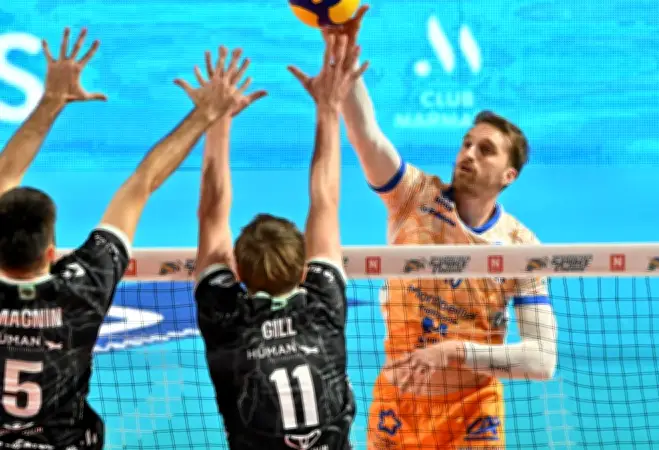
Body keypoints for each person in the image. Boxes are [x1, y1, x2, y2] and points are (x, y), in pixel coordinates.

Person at [0, 28, 260, 449]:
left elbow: (4, 177)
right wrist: (205, 115)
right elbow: (142, 183)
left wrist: (49, 102)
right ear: (51, 252)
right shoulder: (83, 288)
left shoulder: (82, 287)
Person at [323, 8, 559, 449]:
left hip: (473, 410)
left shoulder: (521, 247)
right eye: (466, 143)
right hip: (400, 405)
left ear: (508, 176)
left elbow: (542, 361)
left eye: (485, 150)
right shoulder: (413, 198)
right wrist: (340, 45)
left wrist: (455, 351)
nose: (468, 154)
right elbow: (366, 136)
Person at [192, 32, 366, 450]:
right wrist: (329, 108)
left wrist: (218, 121)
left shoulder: (226, 318)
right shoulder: (322, 306)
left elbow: (212, 211)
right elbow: (325, 198)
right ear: (305, 270)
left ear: (237, 271)